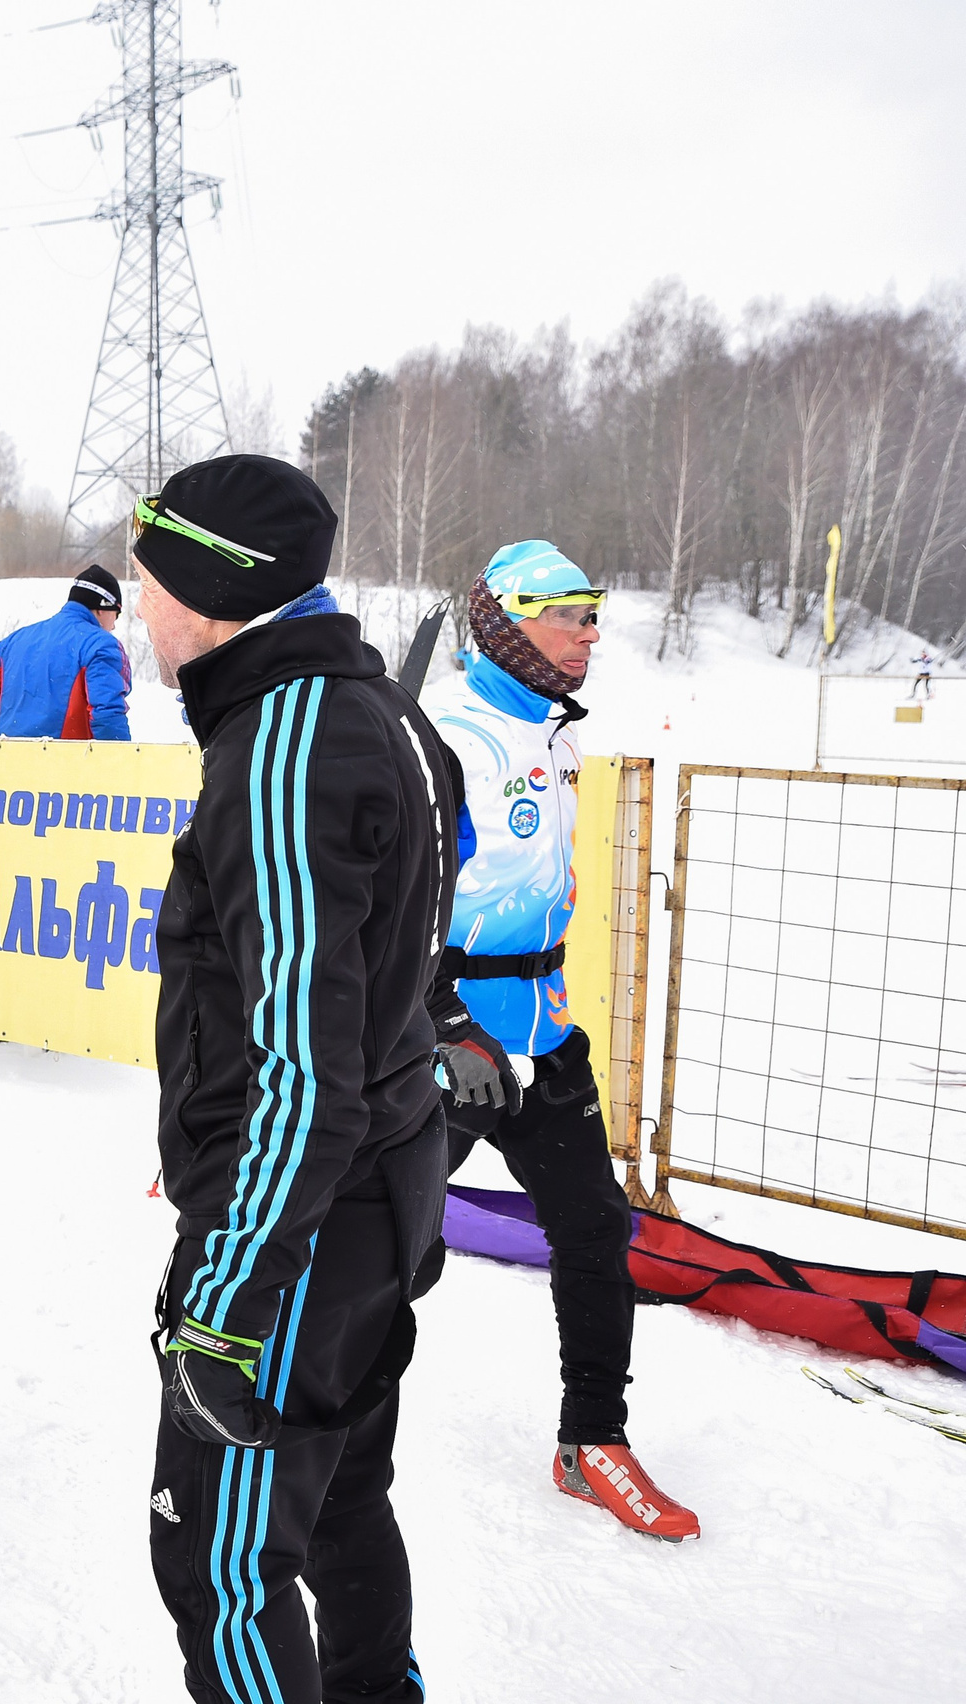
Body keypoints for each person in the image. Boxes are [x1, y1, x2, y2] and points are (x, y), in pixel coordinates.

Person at [132, 455, 462, 1704]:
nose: (137, 604)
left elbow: (302, 1064)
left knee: (220, 1557)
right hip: (371, 1189)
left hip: (302, 1227)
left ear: (211, 591)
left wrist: (225, 1295)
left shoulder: (284, 740)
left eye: (150, 574)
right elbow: (396, 971)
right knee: (332, 1502)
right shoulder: (375, 711)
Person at [422, 540, 700, 1541]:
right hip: (445, 1045)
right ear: (511, 620)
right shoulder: (442, 733)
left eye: (594, 612)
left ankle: (592, 1440)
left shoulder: (550, 733)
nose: (591, 634)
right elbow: (371, 902)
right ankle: (293, 1418)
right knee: (385, 1251)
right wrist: (441, 1023)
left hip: (541, 1036)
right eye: (572, 613)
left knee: (593, 1228)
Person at [0, 565, 133, 739]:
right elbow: (107, 713)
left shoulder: (15, 641)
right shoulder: (100, 645)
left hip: (9, 761)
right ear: (101, 608)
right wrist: (121, 763)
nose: (113, 625)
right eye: (116, 614)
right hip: (68, 763)